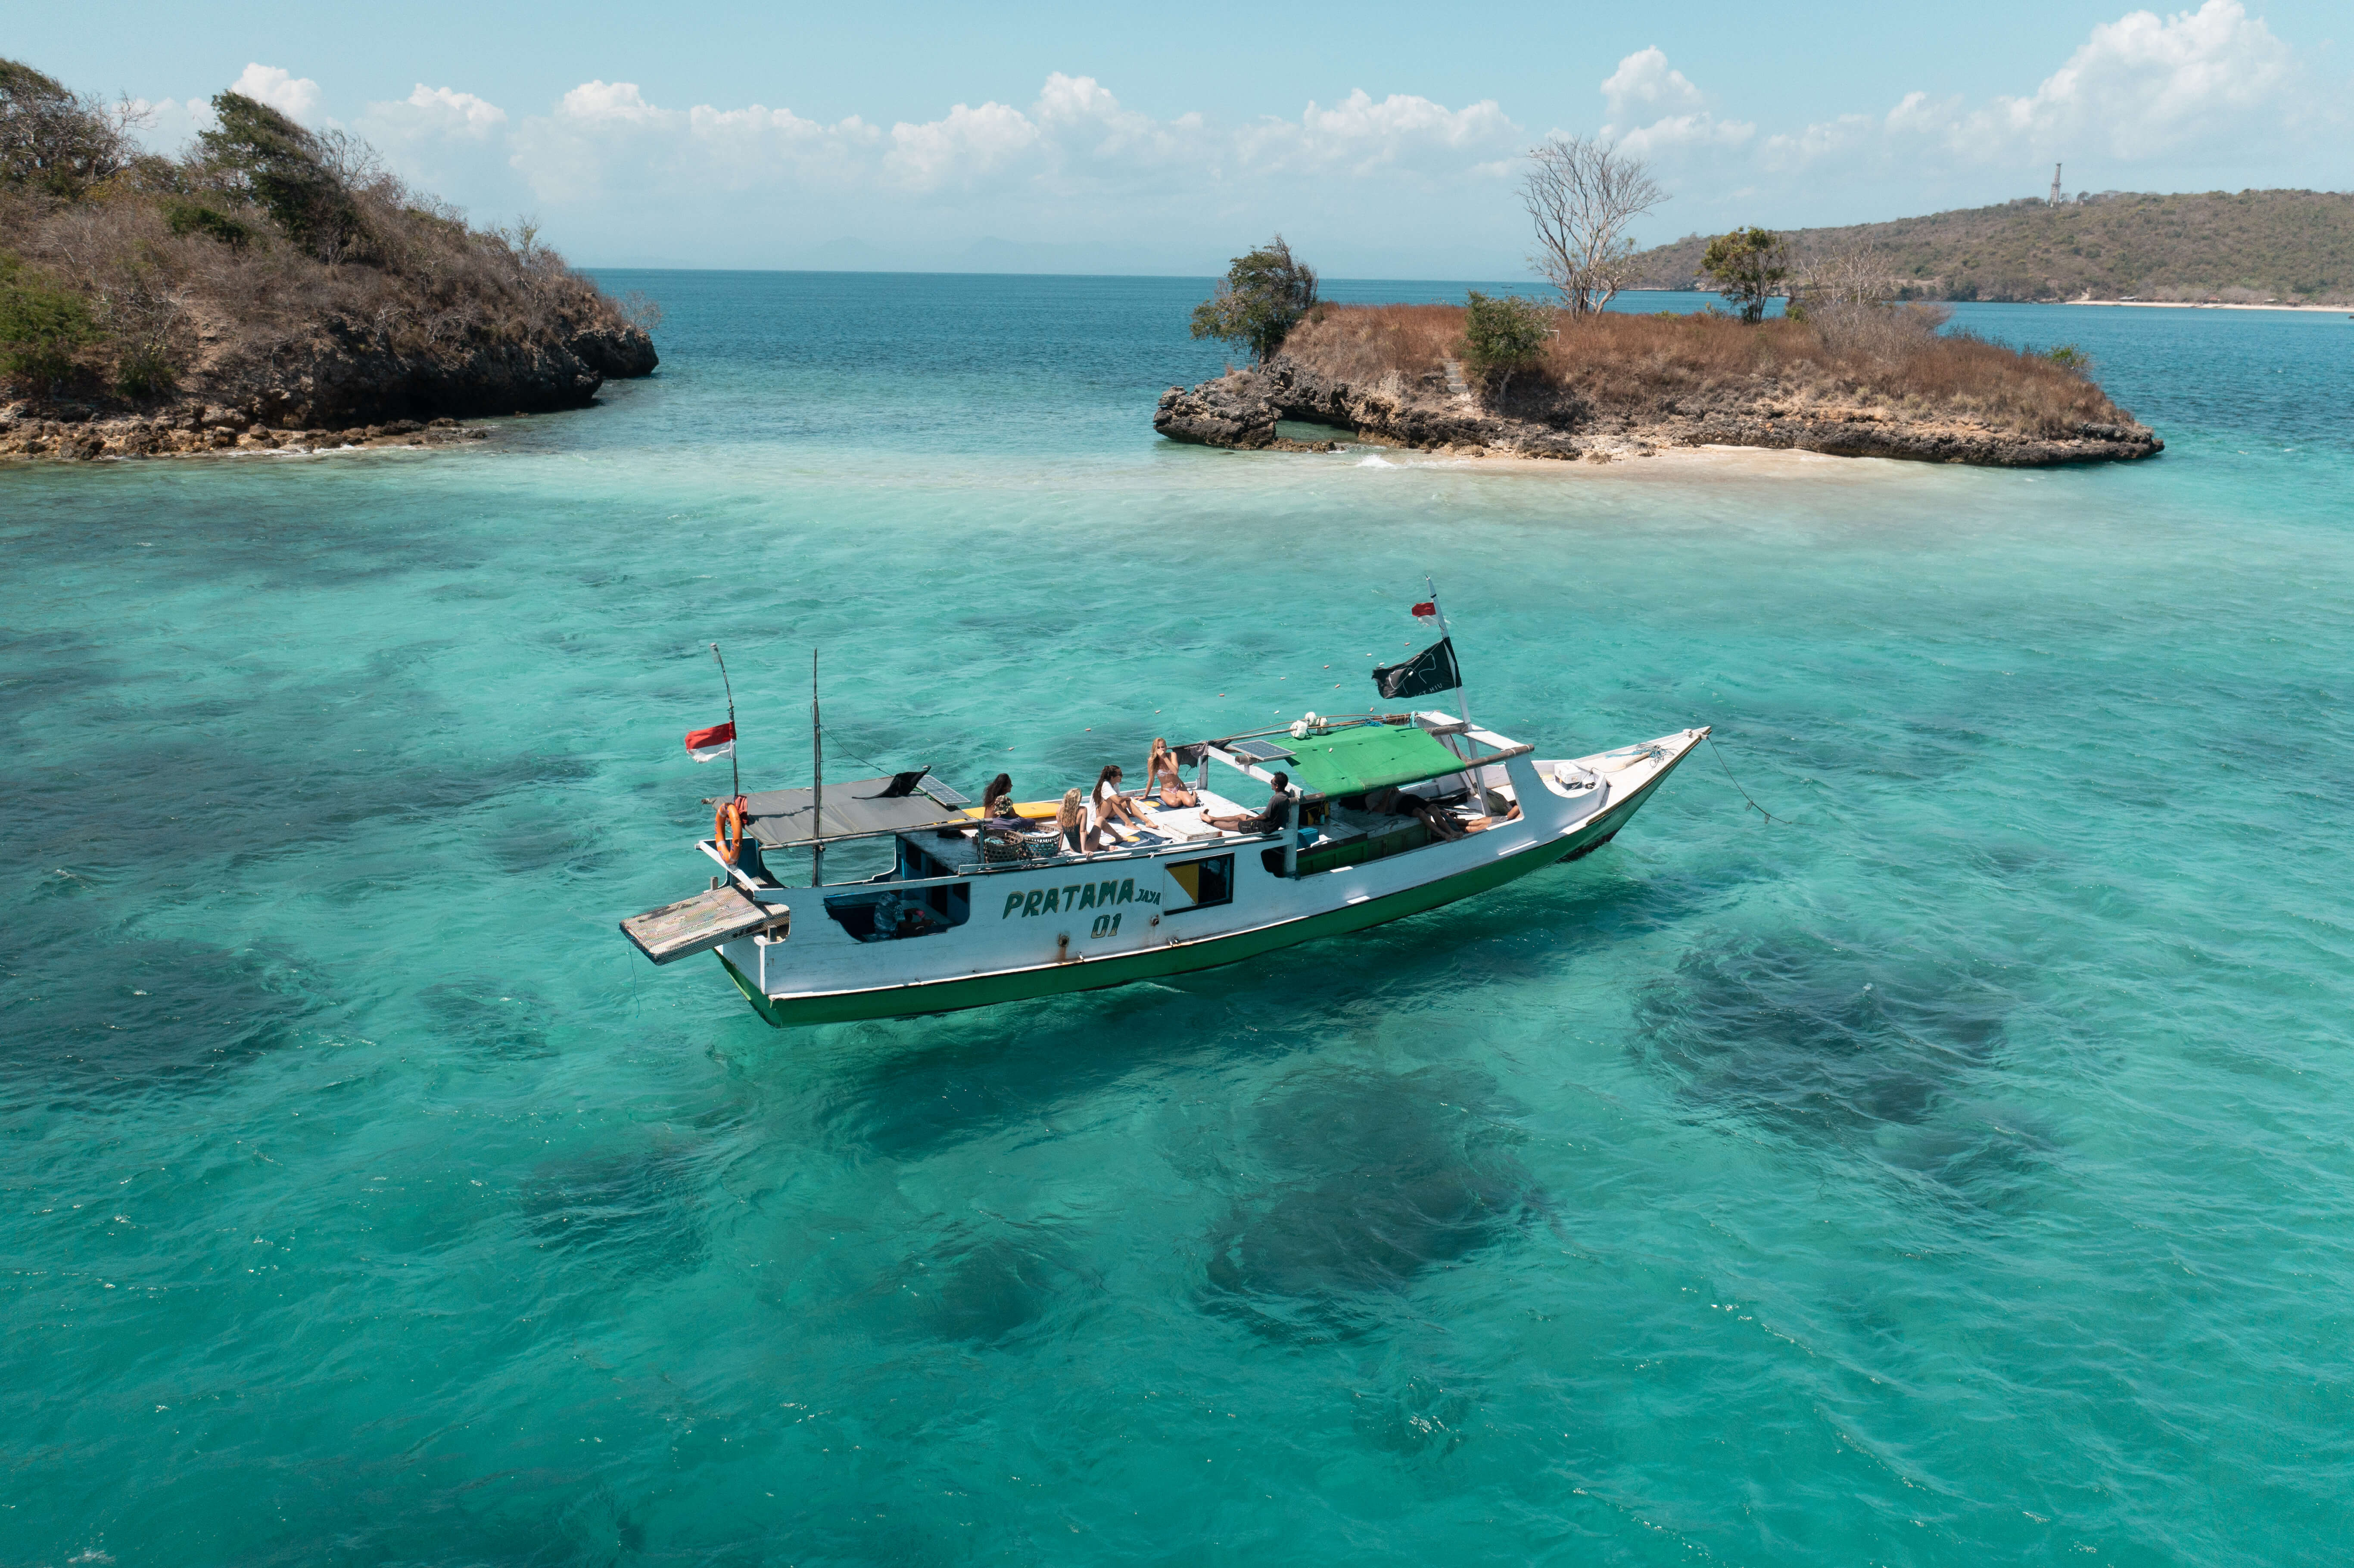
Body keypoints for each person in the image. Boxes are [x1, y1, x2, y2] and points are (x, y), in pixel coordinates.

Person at [1204, 771, 1298, 834]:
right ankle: (1213, 818)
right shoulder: (1287, 795)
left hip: (1266, 827)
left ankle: (1210, 822)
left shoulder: (1276, 799)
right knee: (1241, 816)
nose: (1271, 784)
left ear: (1277, 786)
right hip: (1268, 823)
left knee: (1235, 824)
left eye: (1272, 782)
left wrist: (1251, 820)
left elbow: (1264, 816)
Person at [1092, 764, 1149, 841]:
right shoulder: (1105, 784)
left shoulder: (1116, 784)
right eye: (1120, 775)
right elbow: (1118, 801)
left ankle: (1147, 821)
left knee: (1124, 801)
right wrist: (1126, 797)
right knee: (1115, 800)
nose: (1122, 776)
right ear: (1112, 777)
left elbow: (1119, 800)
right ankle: (1128, 823)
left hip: (1107, 812)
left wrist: (1127, 812)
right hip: (1098, 815)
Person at [1145, 738, 1197, 809]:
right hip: (1166, 790)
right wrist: (1146, 795)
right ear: (1155, 749)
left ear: (1166, 748)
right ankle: (1181, 798)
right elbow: (1151, 779)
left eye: (1163, 747)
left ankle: (1194, 795)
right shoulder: (1152, 761)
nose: (1161, 749)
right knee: (1174, 803)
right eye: (1158, 748)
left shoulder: (1172, 755)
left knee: (1191, 804)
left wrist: (1165, 758)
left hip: (1179, 787)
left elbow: (1175, 772)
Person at [1056, 787, 1088, 854]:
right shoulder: (1083, 810)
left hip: (1073, 848)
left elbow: (1061, 831)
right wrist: (1084, 850)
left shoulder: (1060, 809)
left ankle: (1101, 846)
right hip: (1086, 846)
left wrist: (1059, 848)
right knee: (1101, 821)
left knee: (1089, 833)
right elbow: (1083, 831)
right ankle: (1108, 844)